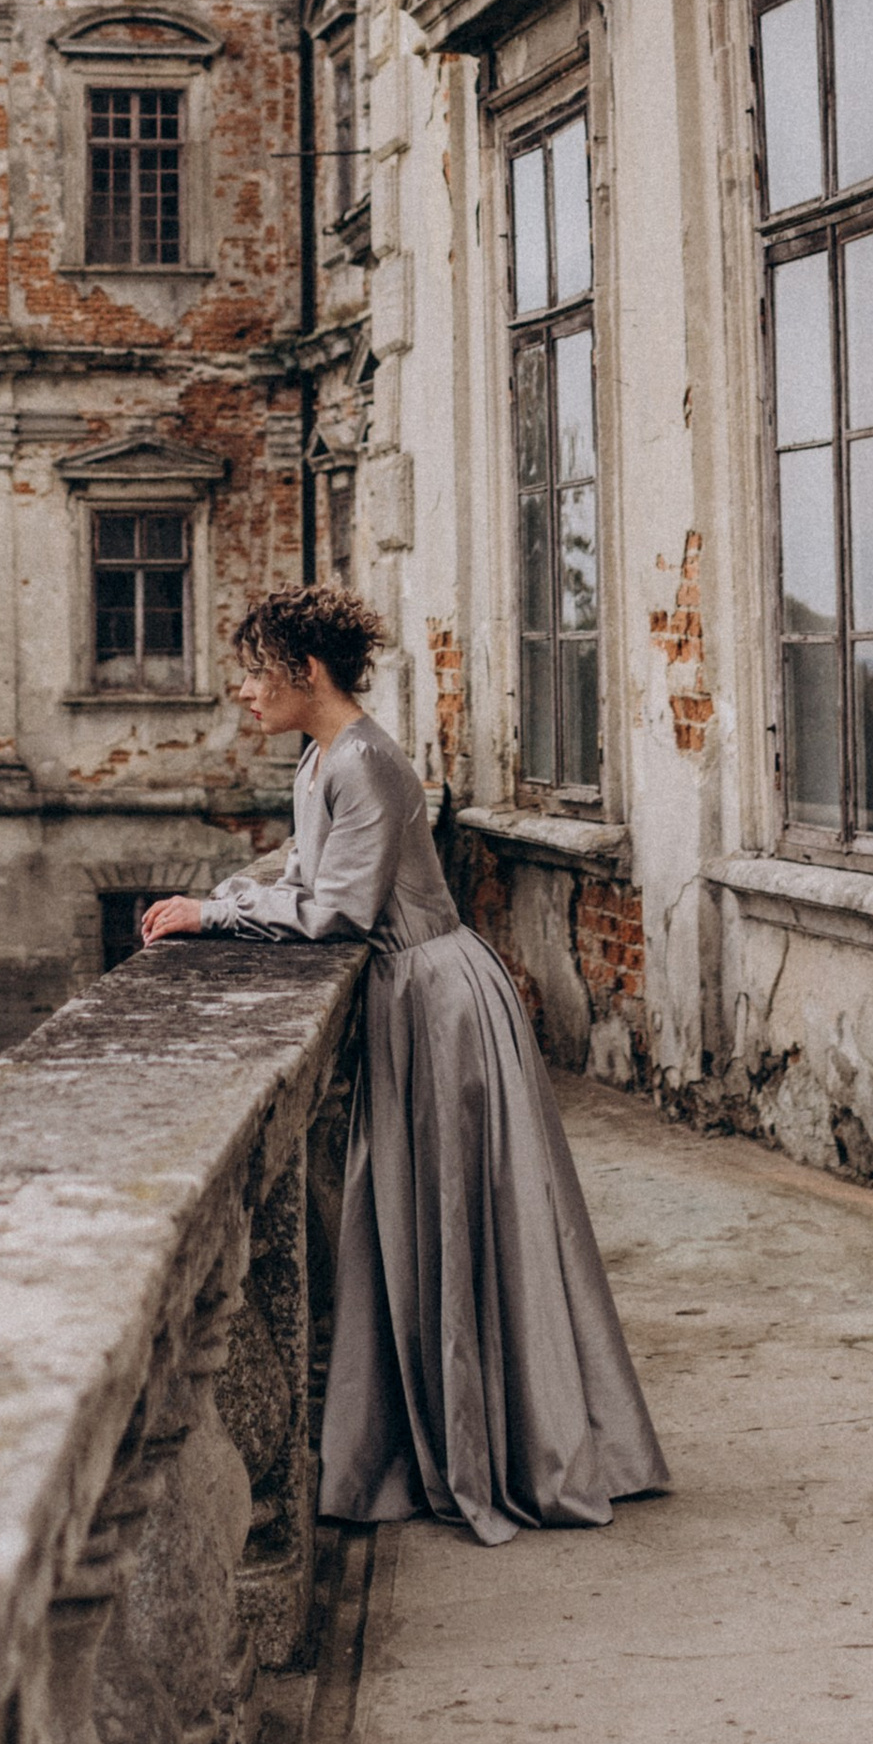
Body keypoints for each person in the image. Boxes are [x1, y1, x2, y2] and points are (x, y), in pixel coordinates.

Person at [142, 584, 666, 1546]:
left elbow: (337, 911)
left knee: (469, 1214)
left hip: (442, 1002)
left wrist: (213, 916)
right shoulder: (323, 760)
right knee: (425, 1215)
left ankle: (514, 1447)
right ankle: (449, 1438)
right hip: (407, 1000)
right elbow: (305, 880)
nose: (244, 692)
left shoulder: (369, 764)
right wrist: (217, 898)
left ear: (307, 672)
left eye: (258, 672)